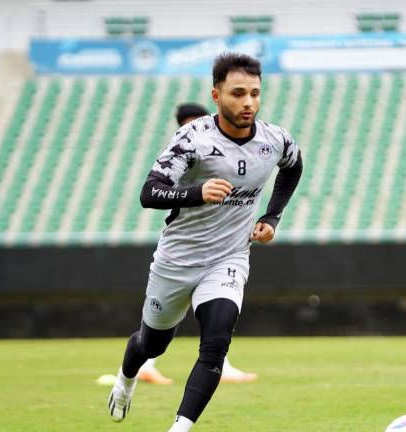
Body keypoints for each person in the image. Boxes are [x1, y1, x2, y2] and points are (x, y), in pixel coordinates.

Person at [107, 53, 303, 432]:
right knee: (151, 344)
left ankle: (179, 428)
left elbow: (293, 167)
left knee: (216, 341)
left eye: (254, 93)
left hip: (228, 257)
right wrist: (196, 193)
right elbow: (150, 192)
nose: (248, 102)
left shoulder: (275, 139)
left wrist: (272, 216)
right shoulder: (192, 138)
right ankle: (126, 380)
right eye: (238, 93)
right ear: (216, 95)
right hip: (177, 260)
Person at [135, 102, 259, 385]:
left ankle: (220, 364)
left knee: (215, 310)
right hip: (186, 244)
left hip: (219, 244)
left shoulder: (221, 151)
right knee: (164, 316)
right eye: (188, 123)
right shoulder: (183, 154)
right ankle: (142, 364)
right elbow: (151, 192)